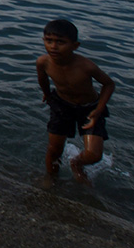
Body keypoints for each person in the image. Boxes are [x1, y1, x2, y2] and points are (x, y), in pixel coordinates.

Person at [36, 18, 115, 185]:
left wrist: (99, 109)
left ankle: (76, 163)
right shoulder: (43, 62)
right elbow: (42, 78)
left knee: (94, 154)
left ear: (75, 46)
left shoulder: (86, 66)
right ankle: (51, 179)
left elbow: (108, 84)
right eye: (49, 41)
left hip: (89, 108)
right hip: (62, 105)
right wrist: (46, 94)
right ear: (43, 41)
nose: (54, 46)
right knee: (54, 149)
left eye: (61, 42)